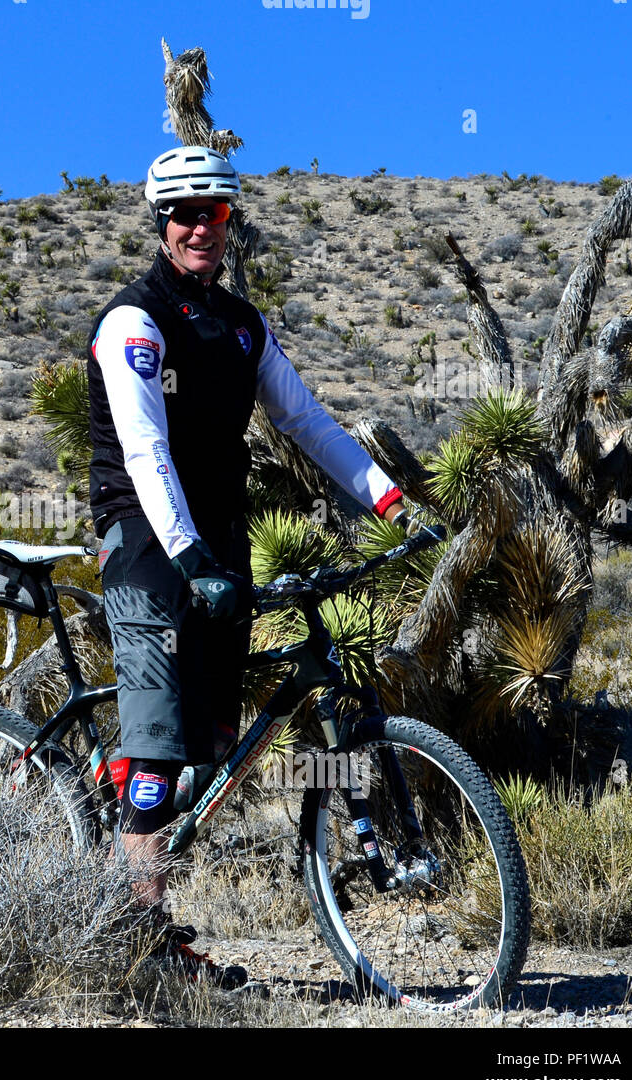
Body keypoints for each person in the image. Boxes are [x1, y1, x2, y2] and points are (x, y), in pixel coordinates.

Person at [87, 145, 407, 986]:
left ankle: (129, 876)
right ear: (161, 223)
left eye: (216, 214)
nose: (201, 228)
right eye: (186, 214)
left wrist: (388, 498)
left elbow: (306, 421)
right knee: (157, 753)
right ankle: (140, 949)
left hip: (220, 545)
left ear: (230, 222)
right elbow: (147, 450)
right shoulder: (135, 321)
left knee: (213, 747)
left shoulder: (239, 324)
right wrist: (188, 554)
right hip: (149, 546)